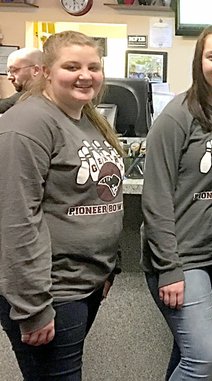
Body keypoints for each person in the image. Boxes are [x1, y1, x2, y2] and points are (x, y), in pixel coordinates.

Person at [0, 30, 124, 380]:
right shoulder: (26, 125)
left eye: (93, 67)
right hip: (49, 291)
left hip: (83, 284)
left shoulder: (85, 118)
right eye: (72, 66)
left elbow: (101, 196)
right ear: (46, 72)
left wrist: (108, 267)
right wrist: (33, 308)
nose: (86, 75)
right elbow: (15, 220)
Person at [141, 24, 212, 380]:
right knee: (204, 357)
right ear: (199, 62)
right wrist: (169, 267)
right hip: (182, 258)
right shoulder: (177, 116)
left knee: (187, 354)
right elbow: (155, 197)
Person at [0, 47, 43, 113]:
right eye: (8, 71)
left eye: (13, 70)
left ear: (35, 70)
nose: (9, 77)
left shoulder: (39, 96)